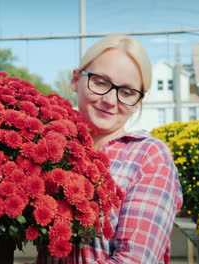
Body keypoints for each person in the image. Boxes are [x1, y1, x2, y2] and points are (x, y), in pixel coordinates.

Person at [36, 35, 183, 263]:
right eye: (101, 82)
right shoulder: (54, 147)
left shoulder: (149, 157)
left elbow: (135, 259)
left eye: (126, 92)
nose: (110, 101)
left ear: (139, 102)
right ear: (76, 80)